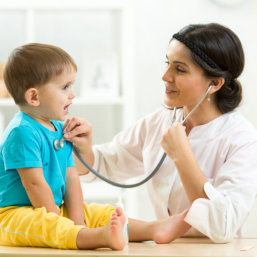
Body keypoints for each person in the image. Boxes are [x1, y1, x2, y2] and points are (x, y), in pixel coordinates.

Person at [63, 23, 257, 243]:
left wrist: (182, 157)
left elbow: (223, 227)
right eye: (168, 64)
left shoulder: (243, 139)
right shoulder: (158, 121)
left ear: (214, 83)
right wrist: (84, 149)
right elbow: (105, 163)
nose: (165, 76)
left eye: (180, 69)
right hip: (164, 248)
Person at [0, 43, 127, 250]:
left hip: (51, 207)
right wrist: (62, 224)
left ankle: (152, 229)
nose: (72, 94)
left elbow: (71, 176)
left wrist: (77, 222)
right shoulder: (21, 132)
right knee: (45, 225)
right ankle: (100, 237)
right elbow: (35, 185)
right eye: (65, 87)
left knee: (100, 213)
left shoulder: (60, 129)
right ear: (33, 97)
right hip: (13, 213)